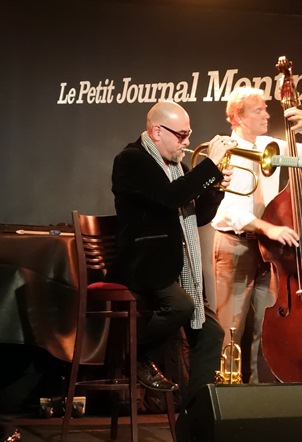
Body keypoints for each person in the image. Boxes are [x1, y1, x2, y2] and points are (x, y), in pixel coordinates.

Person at [106, 100, 233, 400]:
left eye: (188, 135)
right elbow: (169, 198)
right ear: (157, 131)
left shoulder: (177, 168)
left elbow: (197, 217)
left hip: (173, 265)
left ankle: (198, 409)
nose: (187, 142)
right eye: (182, 135)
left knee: (212, 332)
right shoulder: (131, 160)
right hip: (143, 262)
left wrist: (215, 190)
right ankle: (136, 356)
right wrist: (210, 167)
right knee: (181, 306)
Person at [210, 86, 302, 383]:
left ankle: (259, 390)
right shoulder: (226, 150)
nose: (267, 114)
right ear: (238, 117)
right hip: (235, 245)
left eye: (265, 109)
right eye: (259, 110)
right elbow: (230, 210)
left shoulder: (270, 146)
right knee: (231, 326)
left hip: (266, 248)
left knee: (267, 325)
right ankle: (228, 389)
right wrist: (269, 227)